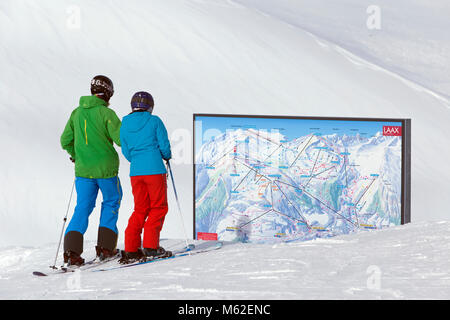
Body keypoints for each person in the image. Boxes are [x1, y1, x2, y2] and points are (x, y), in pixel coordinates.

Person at [60, 75, 122, 266]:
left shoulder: (76, 113)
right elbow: (120, 139)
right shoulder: (106, 114)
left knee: (83, 207)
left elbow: (65, 140)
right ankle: (106, 248)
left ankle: (71, 252)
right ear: (108, 92)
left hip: (83, 170)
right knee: (111, 201)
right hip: (106, 170)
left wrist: (76, 155)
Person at [118, 91, 172, 264]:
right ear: (150, 106)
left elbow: (125, 150)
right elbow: (163, 144)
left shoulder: (124, 123)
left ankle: (131, 248)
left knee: (140, 208)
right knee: (158, 207)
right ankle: (150, 246)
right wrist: (166, 156)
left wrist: (136, 160)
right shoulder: (154, 120)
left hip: (136, 172)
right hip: (154, 169)